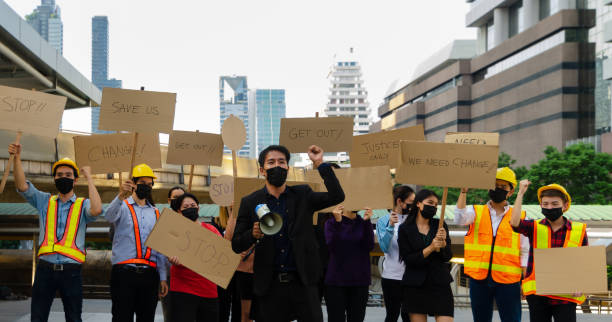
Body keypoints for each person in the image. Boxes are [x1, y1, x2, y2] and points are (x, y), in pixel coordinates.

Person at [231, 144, 344, 322]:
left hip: (303, 283)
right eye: (271, 162)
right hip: (270, 286)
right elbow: (236, 244)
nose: (277, 166)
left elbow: (337, 196)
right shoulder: (250, 201)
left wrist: (320, 163)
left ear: (288, 168)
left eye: (282, 162)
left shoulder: (303, 194)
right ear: (262, 170)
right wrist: (252, 235)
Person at [9, 143, 103, 322]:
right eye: (59, 175)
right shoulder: (45, 200)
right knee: (37, 318)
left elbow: (97, 209)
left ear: (75, 180)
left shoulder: (82, 204)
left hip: (71, 271)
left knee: (74, 318)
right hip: (45, 269)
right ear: (54, 179)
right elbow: (22, 186)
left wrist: (89, 177)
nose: (63, 178)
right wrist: (17, 158)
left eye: (68, 175)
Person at [454, 167, 528, 322]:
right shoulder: (476, 211)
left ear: (511, 192)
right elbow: (459, 219)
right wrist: (463, 192)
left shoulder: (519, 215)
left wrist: (524, 280)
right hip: (479, 278)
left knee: (512, 319)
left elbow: (525, 251)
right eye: (495, 185)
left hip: (509, 280)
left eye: (503, 187)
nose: (498, 189)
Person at [511, 181, 588, 322]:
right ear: (540, 206)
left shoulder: (578, 230)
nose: (549, 207)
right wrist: (520, 193)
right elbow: (514, 223)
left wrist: (581, 283)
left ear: (565, 206)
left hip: (565, 295)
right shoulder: (533, 227)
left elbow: (583, 261)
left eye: (554, 204)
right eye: (545, 204)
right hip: (538, 294)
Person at [105, 163, 168, 322]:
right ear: (133, 184)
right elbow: (109, 216)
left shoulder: (155, 212)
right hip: (124, 273)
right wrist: (120, 196)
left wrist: (162, 277)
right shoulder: (122, 206)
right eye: (142, 183)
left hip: (149, 275)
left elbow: (158, 248)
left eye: (149, 184)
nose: (146, 187)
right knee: (121, 317)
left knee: (147, 318)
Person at [398, 189, 453, 322]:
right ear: (418, 204)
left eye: (435, 204)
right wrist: (431, 248)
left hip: (440, 282)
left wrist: (444, 244)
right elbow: (408, 259)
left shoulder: (439, 225)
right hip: (415, 285)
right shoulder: (405, 228)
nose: (433, 207)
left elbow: (447, 256)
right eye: (430, 203)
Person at [167, 193, 220, 322]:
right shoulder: (174, 231)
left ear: (198, 208)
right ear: (179, 211)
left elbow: (221, 255)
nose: (190, 208)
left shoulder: (212, 230)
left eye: (193, 205)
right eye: (185, 206)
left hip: (208, 289)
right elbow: (167, 251)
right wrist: (171, 258)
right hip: (183, 287)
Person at [324, 205, 374, 322]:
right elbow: (334, 247)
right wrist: (338, 222)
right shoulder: (331, 223)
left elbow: (369, 246)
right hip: (336, 281)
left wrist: (367, 222)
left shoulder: (363, 222)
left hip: (360, 281)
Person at [376, 185, 414, 322]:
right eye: (410, 201)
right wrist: (390, 226)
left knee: (409, 316)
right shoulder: (383, 221)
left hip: (412, 277)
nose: (413, 205)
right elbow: (384, 247)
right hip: (391, 277)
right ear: (399, 201)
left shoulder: (414, 220)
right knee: (392, 315)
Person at [225, 205, 255, 322]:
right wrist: (236, 210)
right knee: (246, 314)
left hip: (269, 270)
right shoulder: (242, 206)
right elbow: (229, 238)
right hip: (245, 271)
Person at [161, 186, 186, 322]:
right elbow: (158, 252)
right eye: (175, 198)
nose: (178, 200)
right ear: (169, 200)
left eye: (182, 197)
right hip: (169, 277)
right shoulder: (163, 220)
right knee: (170, 315)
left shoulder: (192, 221)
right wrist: (162, 278)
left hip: (188, 277)